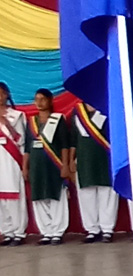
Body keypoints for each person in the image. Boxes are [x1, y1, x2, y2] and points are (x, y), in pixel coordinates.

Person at [23, 89, 70, 245]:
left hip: (54, 165)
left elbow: (65, 145)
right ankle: (46, 231)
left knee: (56, 197)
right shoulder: (31, 122)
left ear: (50, 101)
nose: (39, 102)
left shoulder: (58, 120)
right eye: (37, 99)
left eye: (43, 99)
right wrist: (25, 167)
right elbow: (27, 148)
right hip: (36, 166)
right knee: (39, 198)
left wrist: (65, 165)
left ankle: (57, 231)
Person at [70, 101, 118, 243]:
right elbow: (74, 138)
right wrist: (71, 160)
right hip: (84, 159)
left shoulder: (106, 108)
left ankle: (107, 229)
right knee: (86, 195)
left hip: (105, 157)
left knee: (107, 193)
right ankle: (92, 229)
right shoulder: (77, 112)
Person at [0, 82, 28, 246]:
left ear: (7, 95)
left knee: (14, 197)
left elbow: (22, 140)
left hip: (12, 160)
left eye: (1, 93)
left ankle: (18, 232)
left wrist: (6, 124)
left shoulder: (17, 116)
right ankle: (7, 231)